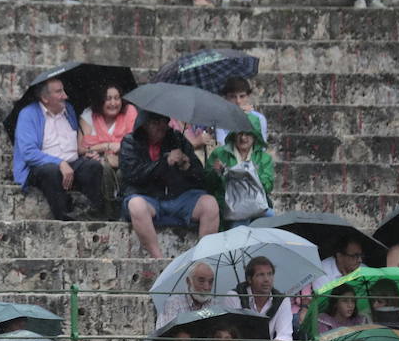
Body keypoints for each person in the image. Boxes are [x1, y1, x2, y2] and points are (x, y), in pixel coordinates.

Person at [120, 111, 219, 258]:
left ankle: (202, 259)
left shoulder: (177, 138)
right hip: (147, 196)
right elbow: (133, 175)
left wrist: (187, 166)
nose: (160, 126)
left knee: (210, 204)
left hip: (179, 196)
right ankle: (158, 259)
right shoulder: (130, 142)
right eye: (155, 122)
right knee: (136, 205)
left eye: (163, 122)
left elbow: (200, 177)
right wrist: (164, 162)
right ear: (145, 124)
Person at [12, 77, 105, 222]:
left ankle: (93, 214)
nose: (65, 96)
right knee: (51, 171)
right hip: (40, 166)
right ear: (45, 98)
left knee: (92, 166)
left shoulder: (69, 110)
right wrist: (60, 163)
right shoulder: (28, 114)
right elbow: (29, 153)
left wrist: (87, 153)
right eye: (59, 92)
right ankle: (65, 217)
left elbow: (73, 145)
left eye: (64, 90)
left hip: (72, 163)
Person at [79, 84, 139, 218]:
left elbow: (136, 143)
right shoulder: (89, 115)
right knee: (103, 168)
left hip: (124, 158)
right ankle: (109, 212)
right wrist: (107, 146)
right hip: (98, 159)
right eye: (108, 99)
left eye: (117, 98)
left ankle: (123, 212)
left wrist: (120, 148)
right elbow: (82, 148)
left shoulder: (130, 112)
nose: (113, 103)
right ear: (100, 100)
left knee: (122, 172)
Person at [205, 120, 274, 228]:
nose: (243, 138)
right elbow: (207, 184)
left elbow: (268, 186)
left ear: (255, 135)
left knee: (273, 221)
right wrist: (215, 172)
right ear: (234, 134)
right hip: (228, 208)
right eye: (240, 133)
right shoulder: (219, 154)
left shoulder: (264, 158)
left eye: (248, 134)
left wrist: (253, 177)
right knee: (240, 223)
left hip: (257, 207)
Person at [241, 256, 296, 341]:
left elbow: (285, 340)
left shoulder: (282, 300)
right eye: (260, 275)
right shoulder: (235, 296)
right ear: (250, 279)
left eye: (270, 274)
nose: (267, 279)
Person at [157, 261, 218, 329]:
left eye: (210, 282)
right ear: (188, 281)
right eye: (201, 281)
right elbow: (165, 333)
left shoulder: (215, 304)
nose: (207, 287)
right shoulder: (174, 304)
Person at [214, 77, 269, 147]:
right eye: (233, 97)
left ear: (248, 97)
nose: (238, 101)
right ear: (226, 98)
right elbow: (222, 146)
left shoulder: (259, 118)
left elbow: (261, 147)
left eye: (242, 96)